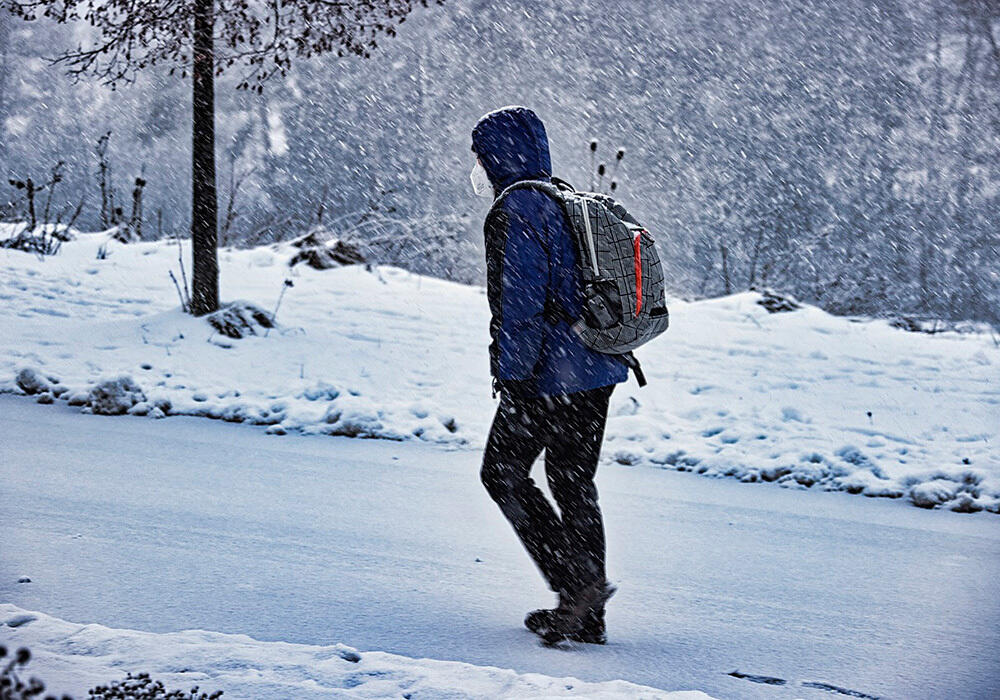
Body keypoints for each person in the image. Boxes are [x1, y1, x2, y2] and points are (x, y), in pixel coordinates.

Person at [471, 106, 627, 644]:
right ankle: (588, 617)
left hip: (549, 374)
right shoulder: (565, 198)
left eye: (480, 158)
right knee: (573, 480)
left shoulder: (518, 209)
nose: (479, 169)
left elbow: (521, 305)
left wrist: (513, 379)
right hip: (598, 364)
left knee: (502, 474)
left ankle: (577, 586)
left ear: (496, 157)